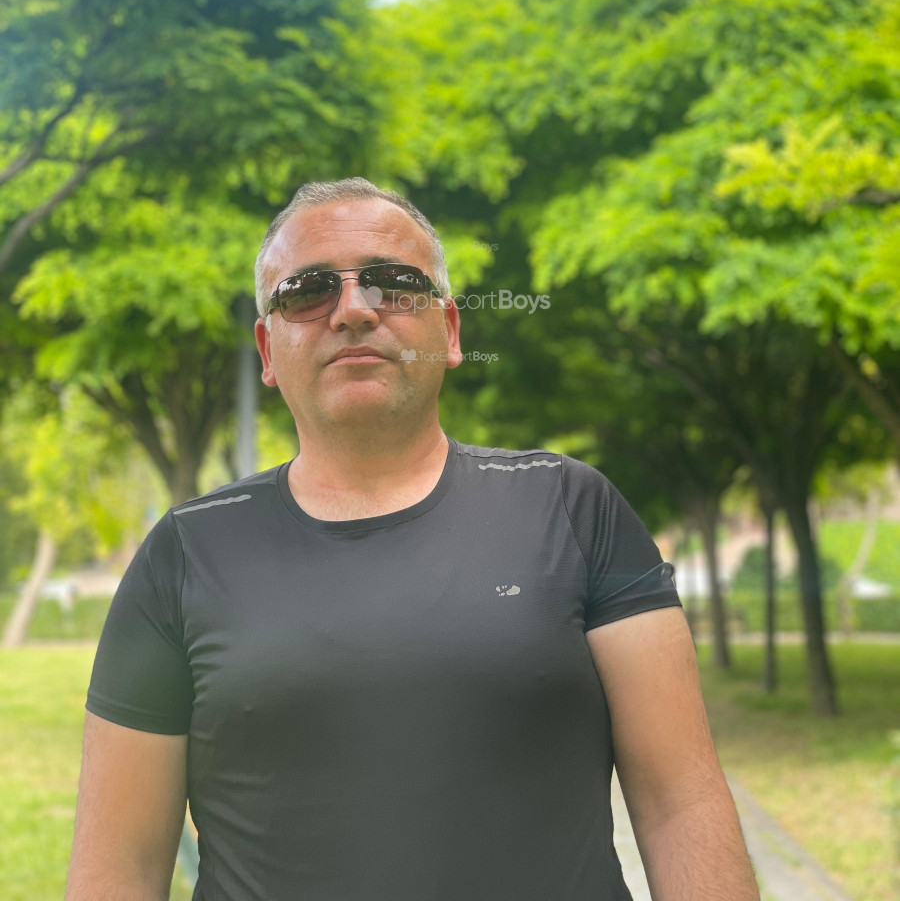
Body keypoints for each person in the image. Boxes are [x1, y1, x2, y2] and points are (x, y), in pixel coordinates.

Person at [66, 176, 761, 901]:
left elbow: (681, 803)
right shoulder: (184, 555)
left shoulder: (571, 508)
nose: (354, 311)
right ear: (268, 350)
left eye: (395, 285)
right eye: (307, 291)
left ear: (451, 332)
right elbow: (119, 868)